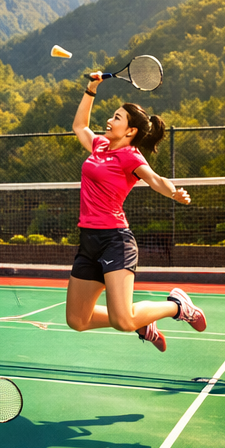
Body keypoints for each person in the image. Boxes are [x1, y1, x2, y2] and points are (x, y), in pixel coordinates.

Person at [64, 73, 207, 349]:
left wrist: (174, 192)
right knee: (77, 320)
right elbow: (79, 126)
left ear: (130, 131)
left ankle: (177, 307)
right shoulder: (100, 146)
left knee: (123, 320)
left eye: (117, 118)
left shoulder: (131, 156)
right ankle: (141, 322)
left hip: (114, 241)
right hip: (88, 240)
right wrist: (90, 89)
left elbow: (154, 179)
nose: (109, 120)